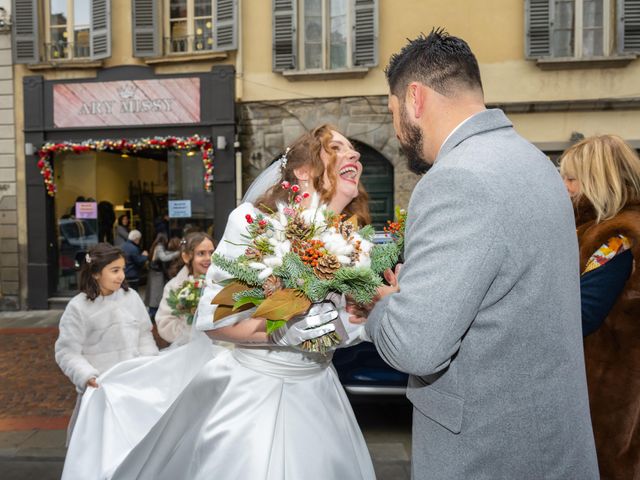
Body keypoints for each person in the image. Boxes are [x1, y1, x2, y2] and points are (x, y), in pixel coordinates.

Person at [349, 30, 598, 479]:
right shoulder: (535, 161)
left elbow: (416, 349)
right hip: (546, 441)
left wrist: (381, 305)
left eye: (392, 113)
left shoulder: (456, 179)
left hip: (488, 454)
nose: (396, 130)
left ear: (414, 98)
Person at [110, 125, 376, 480]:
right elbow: (217, 323)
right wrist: (282, 333)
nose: (354, 154)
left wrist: (359, 323)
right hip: (257, 397)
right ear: (303, 171)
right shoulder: (255, 225)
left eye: (353, 149)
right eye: (337, 148)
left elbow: (338, 326)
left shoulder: (354, 243)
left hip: (321, 394)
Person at [559, 134, 640, 478]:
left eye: (571, 178)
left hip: (608, 399)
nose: (563, 186)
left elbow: (581, 314)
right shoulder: (590, 230)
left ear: (599, 182)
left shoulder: (616, 238)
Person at [54, 243, 159, 444]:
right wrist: (87, 376)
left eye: (122, 269)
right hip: (101, 391)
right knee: (101, 448)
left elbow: (144, 335)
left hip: (134, 387)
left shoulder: (131, 297)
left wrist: (149, 363)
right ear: (95, 273)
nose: (121, 275)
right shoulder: (78, 307)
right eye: (114, 270)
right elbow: (66, 351)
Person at [155, 232, 215, 346]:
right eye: (201, 253)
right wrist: (190, 327)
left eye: (211, 253)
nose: (208, 258)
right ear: (186, 257)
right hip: (186, 349)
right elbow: (164, 324)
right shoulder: (174, 287)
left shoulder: (221, 282)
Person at [144, 233, 180, 321]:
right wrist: (177, 253)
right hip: (156, 275)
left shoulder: (157, 246)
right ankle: (152, 316)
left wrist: (174, 253)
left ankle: (152, 314)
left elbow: (164, 253)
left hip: (155, 274)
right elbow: (164, 257)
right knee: (156, 295)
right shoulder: (160, 246)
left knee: (154, 295)